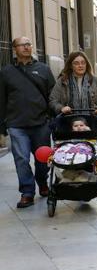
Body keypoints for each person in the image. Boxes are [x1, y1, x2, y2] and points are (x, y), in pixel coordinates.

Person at [0, 37, 56, 208]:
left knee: (42, 160)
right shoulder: (6, 72)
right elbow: (1, 100)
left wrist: (53, 120)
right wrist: (2, 128)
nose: (26, 47)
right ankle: (27, 192)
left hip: (40, 124)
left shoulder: (43, 69)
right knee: (21, 159)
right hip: (17, 125)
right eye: (22, 45)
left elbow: (52, 96)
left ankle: (42, 181)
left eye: (29, 44)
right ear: (14, 49)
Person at [50, 51, 97, 116]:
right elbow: (53, 100)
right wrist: (61, 108)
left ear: (86, 64)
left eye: (83, 63)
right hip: (69, 121)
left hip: (93, 120)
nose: (80, 65)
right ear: (71, 65)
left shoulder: (96, 80)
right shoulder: (63, 81)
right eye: (76, 63)